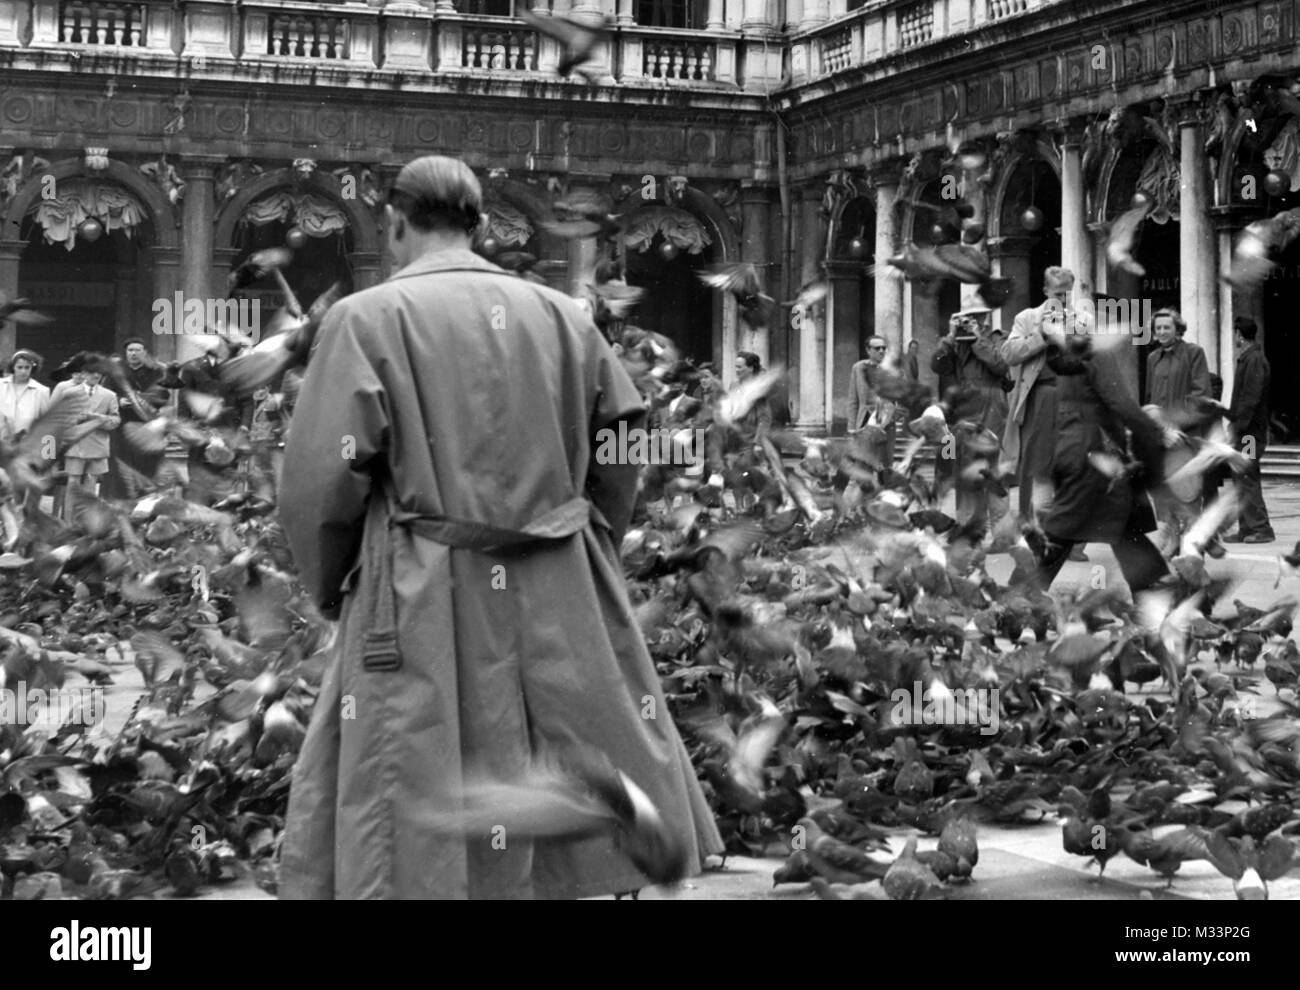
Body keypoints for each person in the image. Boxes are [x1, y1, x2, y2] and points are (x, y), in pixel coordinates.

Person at [276, 154, 722, 900]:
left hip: (424, 580)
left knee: (420, 767)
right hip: (558, 573)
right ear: (480, 225)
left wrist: (336, 583)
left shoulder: (364, 318)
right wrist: (590, 543)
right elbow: (621, 450)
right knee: (568, 740)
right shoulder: (565, 317)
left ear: (394, 225)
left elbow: (321, 479)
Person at [1020, 332, 1169, 594]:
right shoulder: (1097, 354)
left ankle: (1150, 584)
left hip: (1072, 444)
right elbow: (1120, 403)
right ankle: (1023, 595)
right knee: (1067, 524)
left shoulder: (1068, 356)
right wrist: (1153, 432)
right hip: (1093, 449)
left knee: (1121, 519)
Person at [1001, 266, 1089, 560]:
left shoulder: (1081, 319)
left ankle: (1070, 540)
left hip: (1074, 396)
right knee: (1035, 468)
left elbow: (1093, 357)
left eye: (1067, 294)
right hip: (1040, 394)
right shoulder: (1027, 318)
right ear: (1045, 292)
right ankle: (1032, 534)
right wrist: (1040, 335)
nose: (1062, 300)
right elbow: (1008, 354)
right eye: (1057, 294)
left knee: (1073, 466)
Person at [930, 308, 1009, 531]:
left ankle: (1001, 532)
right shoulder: (956, 343)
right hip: (966, 407)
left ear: (985, 319)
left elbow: (1001, 365)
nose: (970, 322)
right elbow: (937, 365)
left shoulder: (998, 337)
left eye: (975, 319)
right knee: (965, 471)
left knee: (994, 471)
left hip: (992, 406)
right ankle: (968, 528)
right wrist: (950, 336)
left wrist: (978, 339)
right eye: (965, 319)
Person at [1143, 309, 1212, 557]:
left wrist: (1176, 426)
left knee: (1188, 492)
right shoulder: (1152, 358)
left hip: (1185, 436)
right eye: (1158, 328)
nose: (1161, 332)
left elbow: (1200, 395)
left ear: (1178, 329)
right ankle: (1172, 540)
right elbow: (1151, 399)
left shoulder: (1194, 353)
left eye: (1167, 327)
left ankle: (1193, 551)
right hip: (1161, 437)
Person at [1224, 317, 1275, 543]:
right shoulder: (1249, 358)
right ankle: (1247, 528)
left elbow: (1250, 400)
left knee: (1246, 477)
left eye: (1234, 333)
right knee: (1240, 477)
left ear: (1239, 334)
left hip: (1249, 435)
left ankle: (1261, 529)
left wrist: (1237, 428)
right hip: (1246, 432)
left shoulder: (1253, 360)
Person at [105, 337, 170, 495]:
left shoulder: (157, 372)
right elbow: (105, 394)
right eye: (130, 350)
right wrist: (119, 401)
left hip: (147, 424)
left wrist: (147, 399)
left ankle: (146, 501)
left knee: (148, 464)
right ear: (126, 353)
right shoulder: (115, 371)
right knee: (123, 464)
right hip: (123, 424)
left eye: (138, 350)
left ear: (145, 353)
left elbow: (164, 395)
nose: (134, 354)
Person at [57, 359, 120, 514]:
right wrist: (75, 420)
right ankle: (69, 523)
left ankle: (86, 525)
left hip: (97, 446)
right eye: (92, 372)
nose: (96, 375)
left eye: (99, 372)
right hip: (75, 445)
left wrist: (96, 417)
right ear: (84, 373)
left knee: (91, 485)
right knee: (73, 483)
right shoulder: (69, 393)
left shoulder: (109, 395)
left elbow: (115, 421)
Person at [847, 335, 897, 466]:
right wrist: (852, 427)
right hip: (864, 421)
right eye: (877, 348)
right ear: (868, 350)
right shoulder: (858, 368)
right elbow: (853, 399)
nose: (881, 351)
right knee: (863, 463)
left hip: (886, 424)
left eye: (883, 348)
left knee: (885, 464)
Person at [0, 349, 50, 442]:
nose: (23, 371)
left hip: (25, 446)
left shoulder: (41, 391)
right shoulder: (1, 386)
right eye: (20, 367)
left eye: (27, 367)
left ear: (32, 368)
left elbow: (46, 424)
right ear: (13, 367)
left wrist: (47, 453)